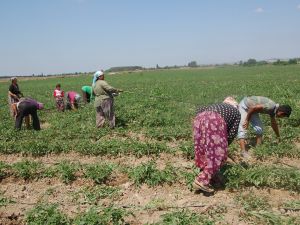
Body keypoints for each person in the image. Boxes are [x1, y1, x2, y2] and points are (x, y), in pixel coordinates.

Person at [193, 97, 241, 193]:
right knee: (216, 154)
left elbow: (199, 110)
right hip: (214, 120)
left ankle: (210, 174)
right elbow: (232, 133)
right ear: (236, 106)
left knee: (203, 149)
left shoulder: (217, 106)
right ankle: (201, 180)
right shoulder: (236, 112)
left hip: (199, 118)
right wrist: (224, 148)